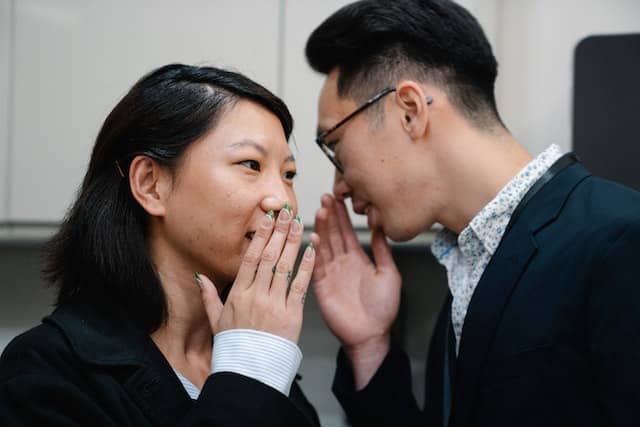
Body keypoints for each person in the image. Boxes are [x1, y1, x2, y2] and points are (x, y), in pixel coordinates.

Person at [305, 1, 640, 426]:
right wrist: (370, 346)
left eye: (335, 146)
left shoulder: (621, 240)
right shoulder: (469, 264)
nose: (339, 184)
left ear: (409, 110)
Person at [0, 63, 320, 426]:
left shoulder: (256, 347)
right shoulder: (45, 370)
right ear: (151, 184)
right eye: (251, 164)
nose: (282, 199)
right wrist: (248, 371)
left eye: (289, 174)